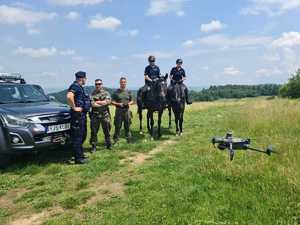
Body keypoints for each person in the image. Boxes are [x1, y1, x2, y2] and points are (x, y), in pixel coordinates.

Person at [66, 71, 91, 164]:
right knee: (78, 137)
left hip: (82, 116)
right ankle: (78, 159)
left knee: (82, 135)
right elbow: (69, 96)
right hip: (77, 116)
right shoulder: (75, 86)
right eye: (85, 78)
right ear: (82, 78)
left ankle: (79, 154)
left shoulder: (79, 87)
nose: (86, 80)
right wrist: (74, 107)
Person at [89, 79, 112, 151]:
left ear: (102, 84)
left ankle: (109, 145)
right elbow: (93, 104)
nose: (98, 85)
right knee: (94, 132)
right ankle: (94, 146)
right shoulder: (92, 94)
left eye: (99, 84)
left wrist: (98, 102)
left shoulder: (106, 93)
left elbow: (107, 102)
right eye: (96, 84)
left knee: (107, 131)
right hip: (95, 115)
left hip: (105, 115)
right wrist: (102, 102)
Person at [112, 77, 134, 144]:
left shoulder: (128, 92)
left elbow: (132, 100)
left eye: (124, 82)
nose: (123, 83)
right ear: (120, 83)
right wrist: (118, 104)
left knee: (127, 126)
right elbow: (112, 101)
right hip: (119, 111)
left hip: (127, 111)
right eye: (122, 82)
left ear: (126, 83)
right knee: (117, 126)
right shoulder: (116, 92)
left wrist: (129, 103)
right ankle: (116, 141)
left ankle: (129, 140)